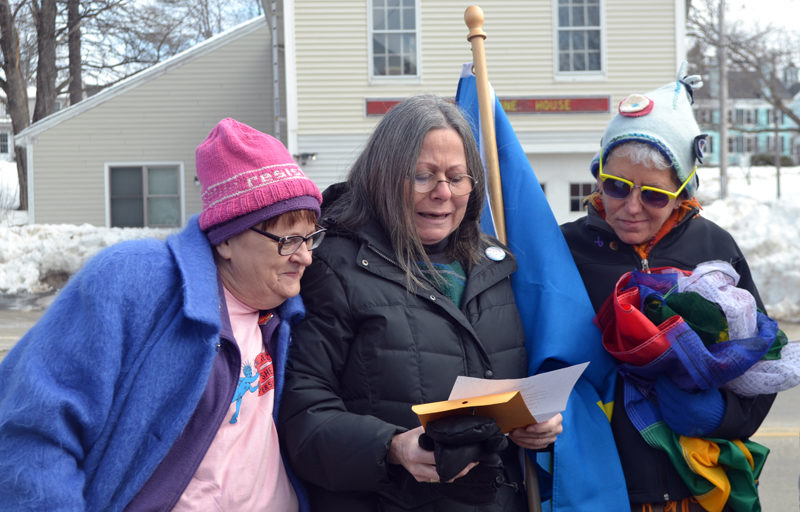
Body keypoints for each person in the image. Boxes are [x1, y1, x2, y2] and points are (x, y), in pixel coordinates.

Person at [0, 118, 324, 511]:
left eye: (309, 237)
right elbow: (31, 429)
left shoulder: (286, 315)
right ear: (227, 240)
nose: (305, 256)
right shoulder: (134, 283)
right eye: (287, 240)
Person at [277, 94, 563, 511]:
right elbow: (302, 417)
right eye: (422, 176)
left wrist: (529, 427)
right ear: (382, 176)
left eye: (457, 177)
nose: (443, 193)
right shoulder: (331, 266)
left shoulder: (493, 265)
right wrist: (392, 448)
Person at [560, 68, 777, 511]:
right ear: (598, 176)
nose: (631, 207)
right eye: (616, 186)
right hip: (600, 489)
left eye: (655, 195)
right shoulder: (564, 251)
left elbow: (761, 361)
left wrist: (723, 416)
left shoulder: (714, 246)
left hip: (697, 490)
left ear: (683, 193)